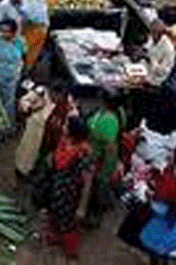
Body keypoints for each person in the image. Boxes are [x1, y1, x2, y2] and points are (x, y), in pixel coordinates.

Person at [42, 116, 95, 261]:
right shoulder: (65, 141)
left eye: (66, 125)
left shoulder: (84, 153)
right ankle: (56, 237)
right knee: (54, 214)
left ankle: (71, 250)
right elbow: (55, 158)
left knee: (70, 223)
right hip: (57, 189)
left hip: (71, 195)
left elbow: (88, 182)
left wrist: (81, 208)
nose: (64, 126)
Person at [86, 91, 126, 223]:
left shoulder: (110, 121)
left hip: (100, 160)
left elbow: (110, 148)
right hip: (102, 158)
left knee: (97, 188)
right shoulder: (119, 114)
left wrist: (107, 169)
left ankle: (94, 216)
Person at [0, 19, 27, 125]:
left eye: (7, 31)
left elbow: (22, 57)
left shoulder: (19, 42)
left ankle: (7, 124)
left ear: (13, 32)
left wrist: (19, 70)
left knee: (8, 100)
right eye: (3, 30)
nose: (3, 33)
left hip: (12, 76)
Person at [144, 20, 176, 87]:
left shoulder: (168, 48)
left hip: (159, 80)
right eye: (151, 32)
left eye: (155, 32)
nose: (152, 35)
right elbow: (146, 50)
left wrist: (153, 63)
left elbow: (164, 71)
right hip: (146, 72)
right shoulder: (151, 40)